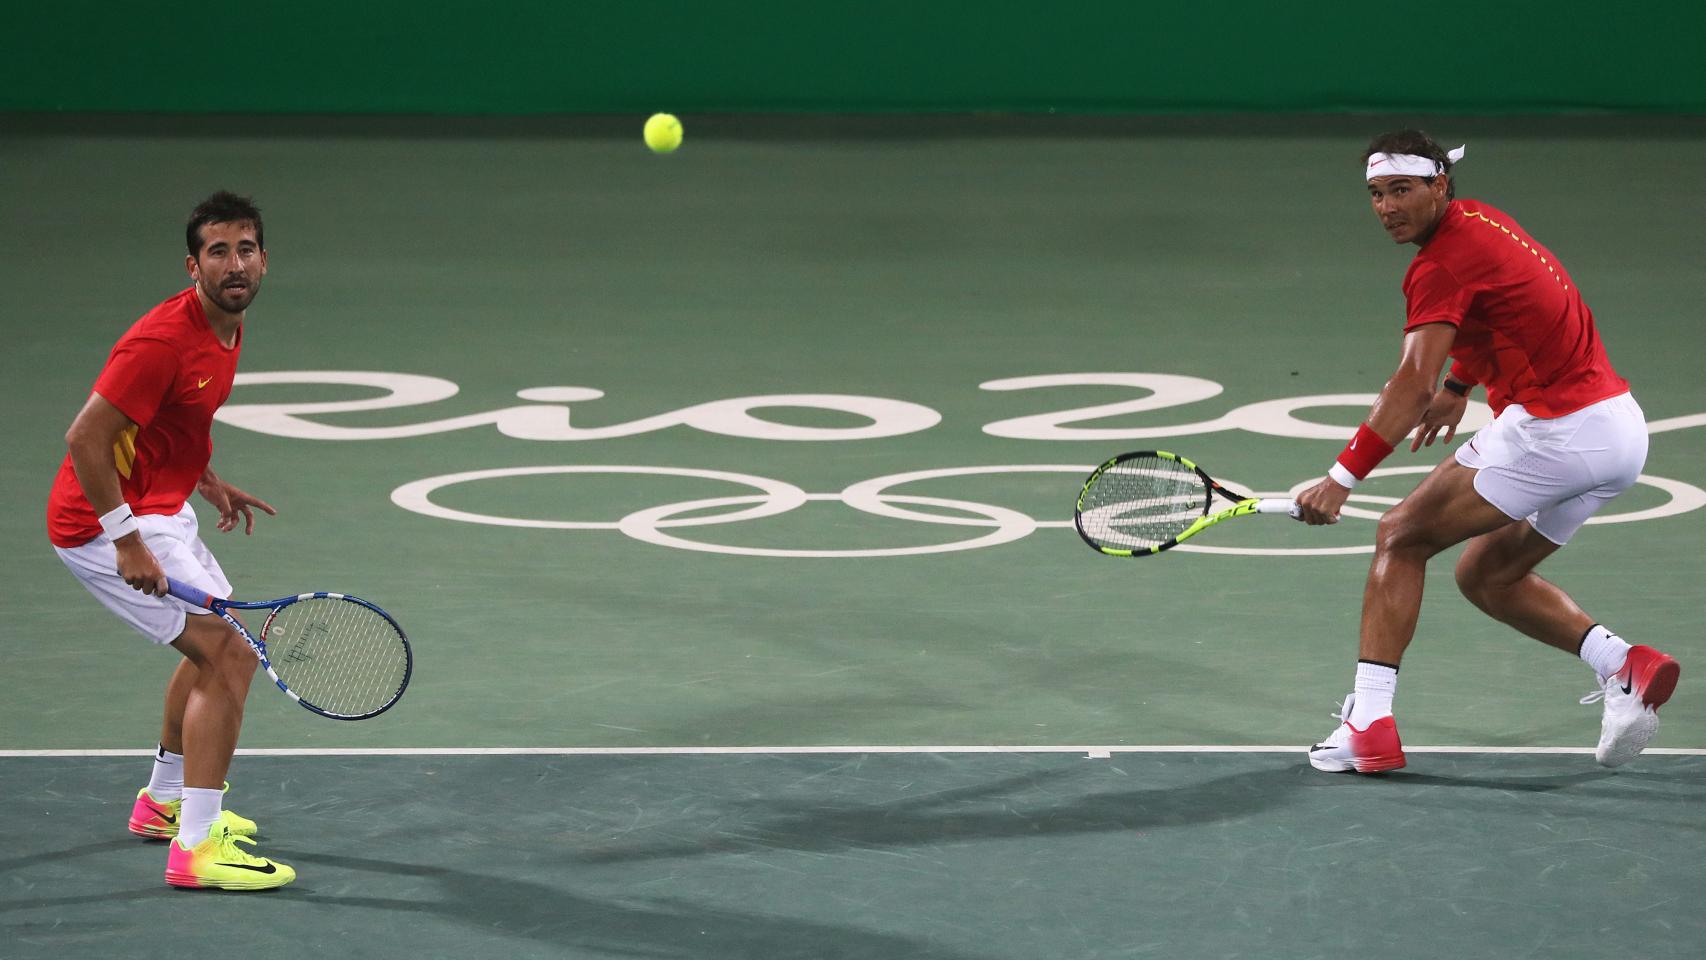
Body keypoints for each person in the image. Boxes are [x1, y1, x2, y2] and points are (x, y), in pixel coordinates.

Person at [1295, 131, 1680, 774]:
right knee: (1486, 576)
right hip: (1619, 432)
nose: (1388, 207)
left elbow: (1406, 386)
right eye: (1376, 194)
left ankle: (1369, 725)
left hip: (1556, 432)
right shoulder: (1481, 221)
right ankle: (1626, 665)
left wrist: (1341, 477)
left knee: (1400, 537)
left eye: (1403, 190)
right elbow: (1493, 313)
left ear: (1439, 184)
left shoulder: (1436, 266)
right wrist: (1459, 385)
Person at [47, 192, 294, 888]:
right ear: (194, 265)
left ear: (264, 261)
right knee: (230, 656)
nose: (234, 263)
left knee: (214, 643)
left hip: (157, 502)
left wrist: (207, 479)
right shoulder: (161, 342)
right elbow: (86, 438)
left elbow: (172, 420)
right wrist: (126, 542)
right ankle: (197, 848)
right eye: (218, 251)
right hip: (103, 522)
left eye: (245, 249)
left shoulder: (226, 326)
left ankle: (162, 802)